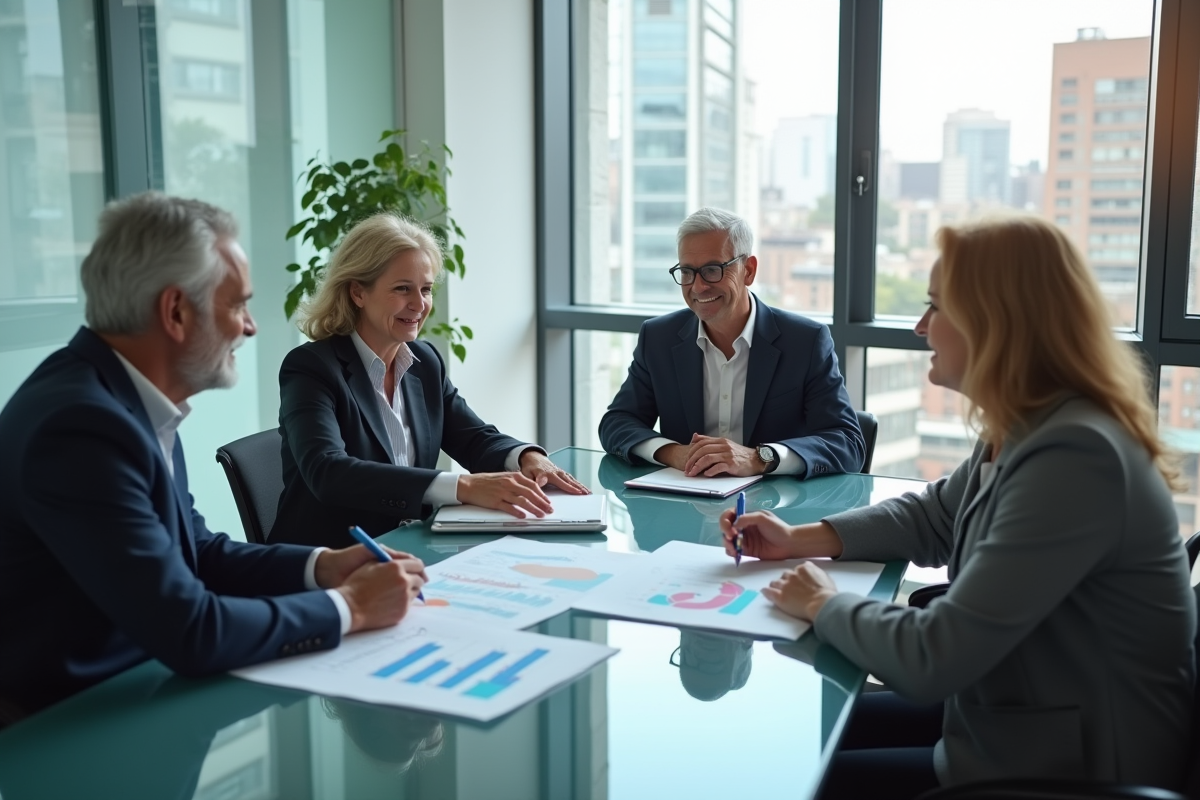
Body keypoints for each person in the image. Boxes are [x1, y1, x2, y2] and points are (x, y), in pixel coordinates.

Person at [720, 215, 1196, 797]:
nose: (921, 327)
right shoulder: (1027, 423)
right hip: (1010, 718)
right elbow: (935, 516)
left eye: (936, 307)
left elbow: (933, 655)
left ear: (996, 324)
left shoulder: (1077, 455)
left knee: (787, 779)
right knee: (798, 739)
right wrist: (801, 538)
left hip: (1071, 770)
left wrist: (823, 603)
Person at [0, 193, 428, 721]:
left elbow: (195, 552)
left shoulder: (127, 399)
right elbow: (189, 629)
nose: (249, 327)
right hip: (74, 724)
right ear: (176, 311)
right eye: (237, 305)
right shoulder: (82, 428)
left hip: (140, 694)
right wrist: (353, 607)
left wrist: (325, 567)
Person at [271, 213, 588, 549]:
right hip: (330, 560)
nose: (419, 305)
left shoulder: (424, 362)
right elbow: (329, 472)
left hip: (412, 547)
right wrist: (462, 486)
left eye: (425, 289)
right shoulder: (311, 367)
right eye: (402, 289)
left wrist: (525, 457)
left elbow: (473, 438)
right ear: (357, 293)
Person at [599, 207, 863, 480]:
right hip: (684, 505)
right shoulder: (658, 337)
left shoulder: (805, 341)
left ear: (748, 270)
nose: (699, 287)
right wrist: (675, 453)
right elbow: (616, 423)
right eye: (687, 272)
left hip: (776, 512)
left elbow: (848, 443)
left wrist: (759, 457)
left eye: (713, 270)